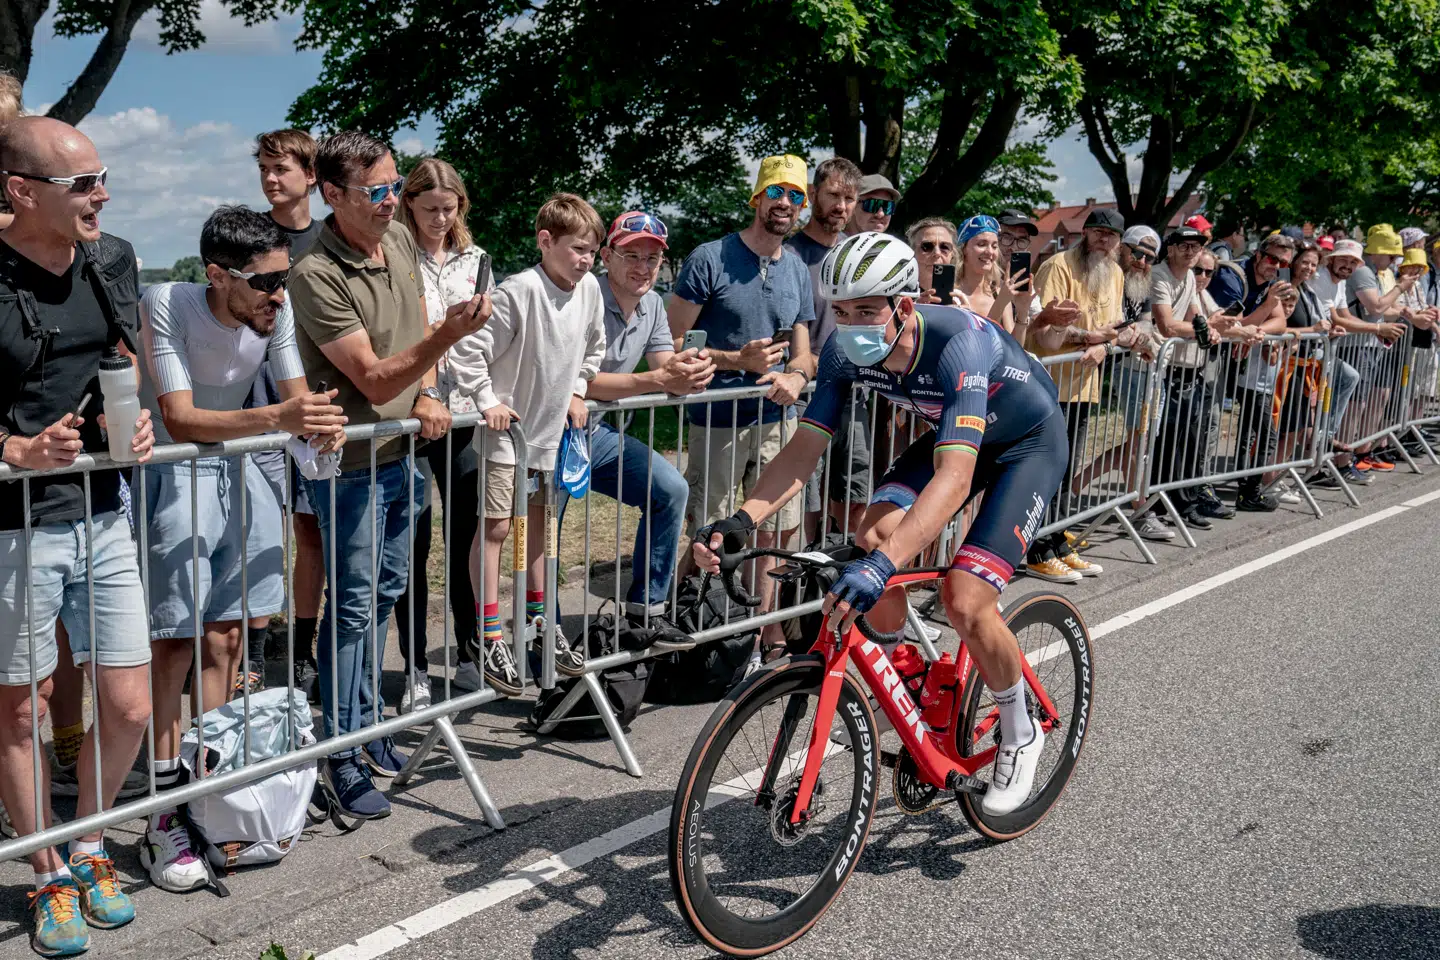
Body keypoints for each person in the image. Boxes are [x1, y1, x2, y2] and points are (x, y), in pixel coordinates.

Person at [693, 232, 1066, 816]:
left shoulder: (956, 344)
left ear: (904, 306)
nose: (851, 324)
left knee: (964, 598)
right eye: (839, 311)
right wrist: (742, 519)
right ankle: (906, 672)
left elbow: (955, 480)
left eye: (866, 311)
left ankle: (1021, 730)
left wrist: (885, 566)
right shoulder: (844, 351)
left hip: (1024, 443)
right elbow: (802, 451)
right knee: (870, 535)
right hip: (955, 434)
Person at [136, 205, 346, 891]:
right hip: (174, 471)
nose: (279, 297)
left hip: (239, 467)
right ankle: (164, 808)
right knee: (175, 644)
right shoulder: (166, 301)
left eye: (283, 281)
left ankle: (212, 783)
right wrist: (283, 417)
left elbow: (294, 402)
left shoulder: (272, 311)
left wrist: (320, 426)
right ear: (218, 276)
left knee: (229, 642)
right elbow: (181, 415)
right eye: (264, 284)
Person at [289, 130, 489, 820]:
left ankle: (368, 726)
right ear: (331, 194)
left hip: (400, 454)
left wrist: (432, 390)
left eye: (393, 186)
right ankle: (338, 752)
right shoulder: (313, 270)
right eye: (376, 192)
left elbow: (416, 334)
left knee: (385, 593)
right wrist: (444, 343)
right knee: (349, 608)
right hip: (348, 467)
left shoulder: (399, 237)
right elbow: (372, 378)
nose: (390, 202)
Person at [0, 116, 157, 957]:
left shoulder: (112, 257)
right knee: (20, 714)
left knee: (127, 703)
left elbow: (120, 359)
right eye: (82, 183)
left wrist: (133, 427)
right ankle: (47, 873)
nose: (101, 195)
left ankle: (90, 844)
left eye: (103, 178)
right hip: (13, 526)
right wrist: (14, 450)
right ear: (21, 191)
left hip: (103, 510)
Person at [449, 192, 606, 693]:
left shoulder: (590, 292)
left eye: (593, 252)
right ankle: (490, 634)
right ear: (546, 241)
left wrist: (579, 390)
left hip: (549, 438)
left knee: (538, 529)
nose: (586, 260)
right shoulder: (519, 291)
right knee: (496, 530)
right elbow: (467, 351)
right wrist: (486, 399)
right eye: (578, 249)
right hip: (507, 437)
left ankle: (541, 623)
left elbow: (593, 348)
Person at [668, 155, 815, 665]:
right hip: (717, 416)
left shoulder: (795, 266)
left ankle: (762, 635)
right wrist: (738, 360)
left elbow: (804, 348)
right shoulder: (710, 257)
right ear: (757, 199)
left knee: (777, 528)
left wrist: (796, 374)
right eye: (776, 192)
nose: (786, 204)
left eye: (796, 196)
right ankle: (679, 620)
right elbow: (671, 340)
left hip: (777, 418)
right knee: (706, 526)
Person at [577, 211, 712, 644]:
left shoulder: (653, 304)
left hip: (595, 433)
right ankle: (539, 636)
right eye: (631, 255)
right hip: (552, 434)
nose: (642, 267)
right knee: (544, 534)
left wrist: (689, 370)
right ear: (606, 256)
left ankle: (646, 613)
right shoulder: (584, 295)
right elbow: (579, 382)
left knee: (670, 489)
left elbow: (662, 367)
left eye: (652, 259)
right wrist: (656, 380)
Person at [391, 157, 494, 707]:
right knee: (414, 543)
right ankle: (414, 668)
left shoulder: (476, 260)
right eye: (428, 208)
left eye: (448, 209)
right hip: (409, 410)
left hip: (465, 413)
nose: (438, 218)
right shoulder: (391, 256)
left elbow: (487, 338)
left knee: (467, 538)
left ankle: (472, 651)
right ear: (409, 204)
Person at [249, 129, 325, 695]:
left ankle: (304, 646)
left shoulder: (329, 240)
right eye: (264, 170)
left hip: (314, 396)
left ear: (312, 177)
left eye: (282, 169)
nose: (272, 179)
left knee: (310, 530)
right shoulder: (250, 237)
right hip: (259, 399)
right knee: (257, 528)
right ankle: (251, 651)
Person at [1021, 208, 1125, 581]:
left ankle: (1057, 540)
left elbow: (1111, 329)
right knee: (1046, 470)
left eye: (1111, 235)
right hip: (1050, 381)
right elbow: (1040, 327)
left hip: (1084, 385)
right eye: (1098, 232)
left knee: (1065, 469)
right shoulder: (1058, 265)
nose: (1104, 240)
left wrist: (1104, 347)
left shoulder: (1114, 272)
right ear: (1085, 232)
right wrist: (1089, 339)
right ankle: (1035, 549)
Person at [784, 157, 870, 538]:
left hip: (856, 391)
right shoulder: (787, 254)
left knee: (853, 489)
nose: (841, 206)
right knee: (803, 495)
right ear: (814, 194)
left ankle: (840, 564)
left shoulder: (860, 253)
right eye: (833, 194)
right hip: (805, 394)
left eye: (850, 198)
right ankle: (797, 578)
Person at [1069, 225, 1170, 541]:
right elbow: (1112, 326)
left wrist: (1140, 337)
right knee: (1139, 443)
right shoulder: (1108, 275)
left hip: (1135, 367)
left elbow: (1139, 325)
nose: (1142, 261)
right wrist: (1132, 338)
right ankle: (1137, 509)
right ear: (1122, 249)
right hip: (1108, 368)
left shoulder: (1140, 283)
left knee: (1141, 443)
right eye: (1137, 253)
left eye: (1149, 257)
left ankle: (1087, 488)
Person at [1148, 224, 1253, 527]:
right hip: (1163, 368)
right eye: (1184, 246)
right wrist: (1205, 329)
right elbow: (1167, 325)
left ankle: (1182, 504)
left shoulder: (1189, 279)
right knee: (1167, 444)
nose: (1191, 251)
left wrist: (1208, 327)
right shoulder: (1160, 275)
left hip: (1188, 371)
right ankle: (1158, 507)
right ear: (1170, 249)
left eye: (1196, 246)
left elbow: (1197, 317)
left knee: (1188, 442)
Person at [1336, 226, 1411, 471]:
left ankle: (1354, 455)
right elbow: (1376, 307)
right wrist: (1400, 287)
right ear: (1379, 252)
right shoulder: (1364, 272)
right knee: (1354, 404)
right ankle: (1343, 460)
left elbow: (1382, 309)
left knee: (1363, 402)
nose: (1394, 261)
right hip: (1356, 345)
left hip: (1367, 344)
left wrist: (1407, 312)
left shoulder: (1372, 272)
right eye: (1392, 256)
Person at [1306, 240, 1368, 486]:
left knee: (1348, 377)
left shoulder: (1339, 283)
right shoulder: (1321, 277)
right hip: (1308, 351)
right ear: (1330, 259)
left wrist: (1374, 328)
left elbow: (1344, 317)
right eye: (1344, 259)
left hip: (1323, 351)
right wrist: (1377, 327)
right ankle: (1319, 443)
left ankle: (1325, 436)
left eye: (1353, 262)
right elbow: (1334, 318)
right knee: (1303, 410)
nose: (1348, 265)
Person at [951, 214, 1032, 332]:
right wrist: (1000, 303)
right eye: (981, 244)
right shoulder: (952, 294)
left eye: (994, 246)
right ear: (964, 248)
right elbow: (979, 341)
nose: (990, 252)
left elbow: (1013, 347)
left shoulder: (998, 291)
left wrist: (1023, 312)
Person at [906, 216, 962, 307]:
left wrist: (965, 316)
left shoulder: (958, 299)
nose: (937, 253)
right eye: (927, 246)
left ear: (952, 254)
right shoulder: (897, 296)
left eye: (944, 247)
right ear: (912, 252)